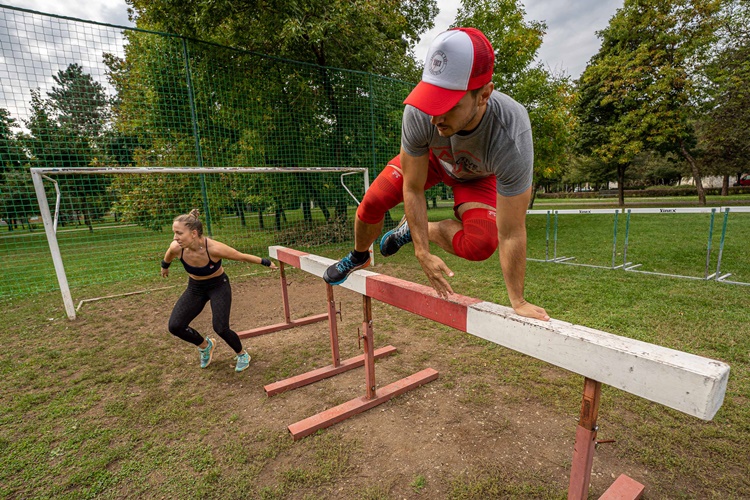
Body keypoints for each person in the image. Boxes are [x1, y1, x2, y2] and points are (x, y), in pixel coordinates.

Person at [323, 27, 549, 321]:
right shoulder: (418, 112)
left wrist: (518, 301)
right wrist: (422, 252)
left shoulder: (511, 133)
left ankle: (409, 230)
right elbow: (413, 188)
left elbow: (512, 231)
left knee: (482, 244)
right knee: (372, 201)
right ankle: (359, 255)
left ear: (484, 95)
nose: (434, 117)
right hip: (431, 160)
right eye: (431, 101)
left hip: (477, 176)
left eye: (447, 106)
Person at [161, 209, 277, 372]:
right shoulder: (177, 247)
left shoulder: (214, 249)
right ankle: (205, 346)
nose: (175, 238)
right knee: (175, 326)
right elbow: (168, 254)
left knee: (221, 327)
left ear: (193, 233)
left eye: (179, 233)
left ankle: (242, 354)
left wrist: (265, 262)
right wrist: (164, 266)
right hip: (195, 288)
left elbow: (240, 256)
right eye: (174, 233)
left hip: (218, 286)